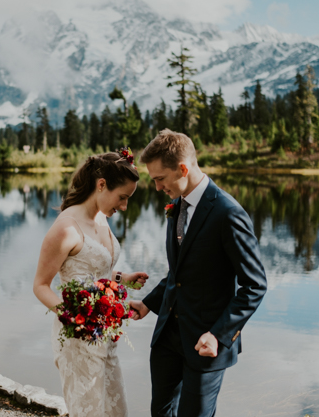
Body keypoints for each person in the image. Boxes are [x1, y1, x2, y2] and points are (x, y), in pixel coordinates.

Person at [129, 129, 267, 417]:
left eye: (160, 179)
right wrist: (148, 304)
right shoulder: (177, 206)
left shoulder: (228, 213)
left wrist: (218, 335)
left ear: (182, 168)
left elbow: (254, 286)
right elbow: (179, 271)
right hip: (168, 337)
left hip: (206, 343)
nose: (156, 188)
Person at [33, 150, 150, 417]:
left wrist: (121, 280)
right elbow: (40, 285)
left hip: (104, 334)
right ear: (101, 185)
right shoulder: (66, 228)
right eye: (123, 197)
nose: (124, 206)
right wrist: (74, 317)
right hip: (77, 337)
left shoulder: (101, 217)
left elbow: (93, 272)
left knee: (114, 407)